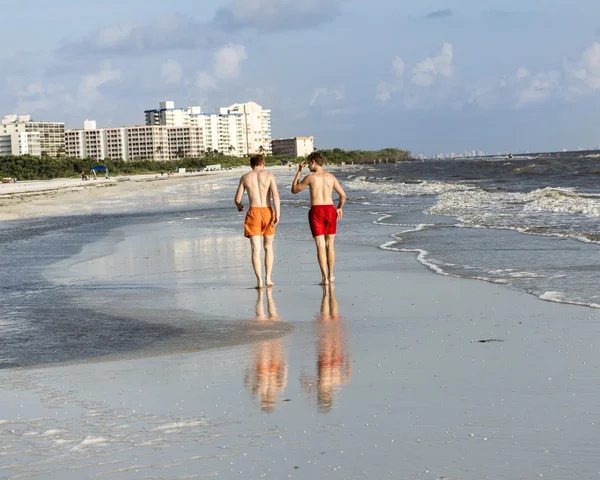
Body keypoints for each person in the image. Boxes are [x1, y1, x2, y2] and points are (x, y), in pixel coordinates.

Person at [291, 151, 346, 285]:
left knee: (320, 245)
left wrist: (299, 171)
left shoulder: (310, 177)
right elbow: (343, 195)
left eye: (309, 163)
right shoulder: (331, 177)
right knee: (330, 245)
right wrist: (339, 208)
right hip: (330, 209)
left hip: (317, 210)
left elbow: (294, 189)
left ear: (314, 162)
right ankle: (332, 275)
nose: (308, 166)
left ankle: (324, 278)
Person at [234, 153, 280, 288]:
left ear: (251, 164)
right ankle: (269, 279)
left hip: (253, 212)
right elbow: (275, 195)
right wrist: (277, 213)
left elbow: (237, 199)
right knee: (268, 247)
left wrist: (239, 206)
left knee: (255, 249)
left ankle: (259, 281)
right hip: (267, 211)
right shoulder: (269, 175)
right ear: (263, 164)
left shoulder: (245, 177)